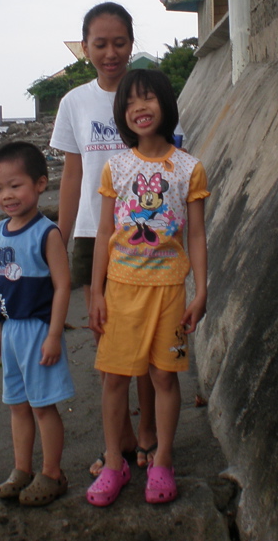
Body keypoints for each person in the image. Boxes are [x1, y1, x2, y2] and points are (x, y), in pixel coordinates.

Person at [86, 69, 209, 507]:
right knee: (115, 377)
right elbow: (104, 234)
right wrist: (97, 291)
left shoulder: (189, 167)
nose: (141, 108)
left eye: (150, 99)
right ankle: (115, 464)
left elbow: (195, 234)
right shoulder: (115, 166)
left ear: (166, 105)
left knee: (163, 376)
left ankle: (162, 460)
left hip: (170, 289)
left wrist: (201, 290)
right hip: (121, 288)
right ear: (122, 113)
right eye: (131, 101)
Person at [49, 2, 160, 476]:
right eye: (100, 44)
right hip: (96, 237)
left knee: (150, 339)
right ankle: (124, 441)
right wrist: (59, 232)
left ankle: (151, 434)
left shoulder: (150, 96)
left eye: (119, 43)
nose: (110, 52)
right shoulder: (75, 102)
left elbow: (166, 162)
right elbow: (73, 175)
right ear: (86, 48)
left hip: (145, 238)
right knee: (109, 339)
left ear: (131, 44)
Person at [0, 141, 74, 507]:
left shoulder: (46, 233)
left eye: (15, 185)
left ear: (40, 184)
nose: (7, 195)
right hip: (11, 332)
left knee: (42, 406)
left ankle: (52, 472)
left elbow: (62, 285)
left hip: (38, 331)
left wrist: (54, 335)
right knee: (17, 405)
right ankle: (22, 469)